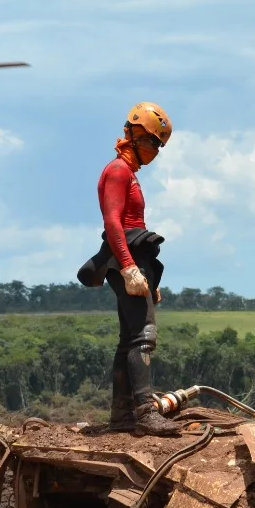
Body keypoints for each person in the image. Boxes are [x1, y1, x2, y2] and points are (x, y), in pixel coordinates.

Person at [84, 102, 178, 436]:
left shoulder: (129, 172)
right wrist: (127, 268)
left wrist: (147, 278)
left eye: (159, 145)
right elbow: (112, 221)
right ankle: (143, 415)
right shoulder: (118, 171)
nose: (155, 150)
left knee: (129, 340)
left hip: (137, 257)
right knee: (143, 337)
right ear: (134, 134)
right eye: (153, 141)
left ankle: (122, 417)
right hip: (127, 259)